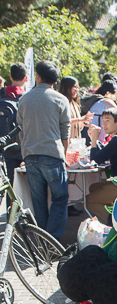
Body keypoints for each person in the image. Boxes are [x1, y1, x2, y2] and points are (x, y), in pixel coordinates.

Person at [17, 60, 71, 241]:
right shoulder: (60, 99)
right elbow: (65, 132)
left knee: (38, 202)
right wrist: (64, 152)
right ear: (54, 80)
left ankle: (42, 241)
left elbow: (21, 130)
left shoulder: (24, 99)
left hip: (31, 155)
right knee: (60, 198)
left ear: (38, 76)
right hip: (53, 155)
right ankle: (52, 241)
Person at [87, 107, 117, 224]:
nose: (104, 124)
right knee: (92, 188)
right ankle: (114, 214)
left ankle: (113, 223)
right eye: (103, 121)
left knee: (88, 201)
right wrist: (94, 140)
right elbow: (104, 153)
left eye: (107, 120)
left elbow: (95, 160)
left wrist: (94, 139)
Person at [0, 62, 27, 201]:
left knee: (10, 183)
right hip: (25, 146)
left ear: (10, 76)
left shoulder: (1, 94)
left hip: (6, 144)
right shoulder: (27, 97)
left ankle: (11, 210)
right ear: (26, 78)